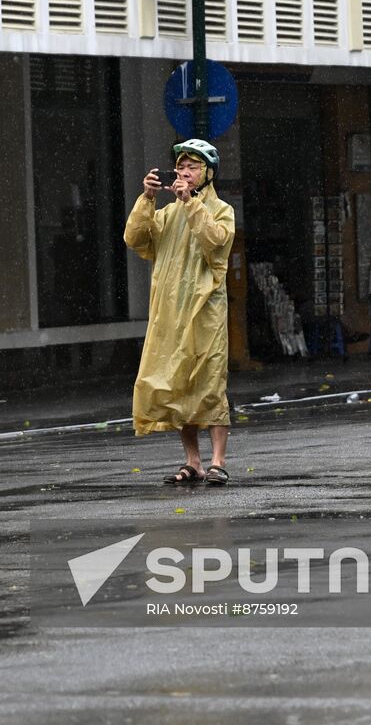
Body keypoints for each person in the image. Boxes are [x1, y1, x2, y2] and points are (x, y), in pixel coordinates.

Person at [123, 139, 237, 486]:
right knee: (181, 385)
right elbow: (136, 238)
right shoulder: (167, 213)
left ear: (208, 174)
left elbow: (215, 242)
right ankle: (194, 461)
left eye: (193, 167)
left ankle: (218, 460)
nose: (184, 173)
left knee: (211, 383)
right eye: (181, 167)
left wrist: (191, 204)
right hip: (170, 311)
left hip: (205, 312)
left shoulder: (221, 211)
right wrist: (147, 199)